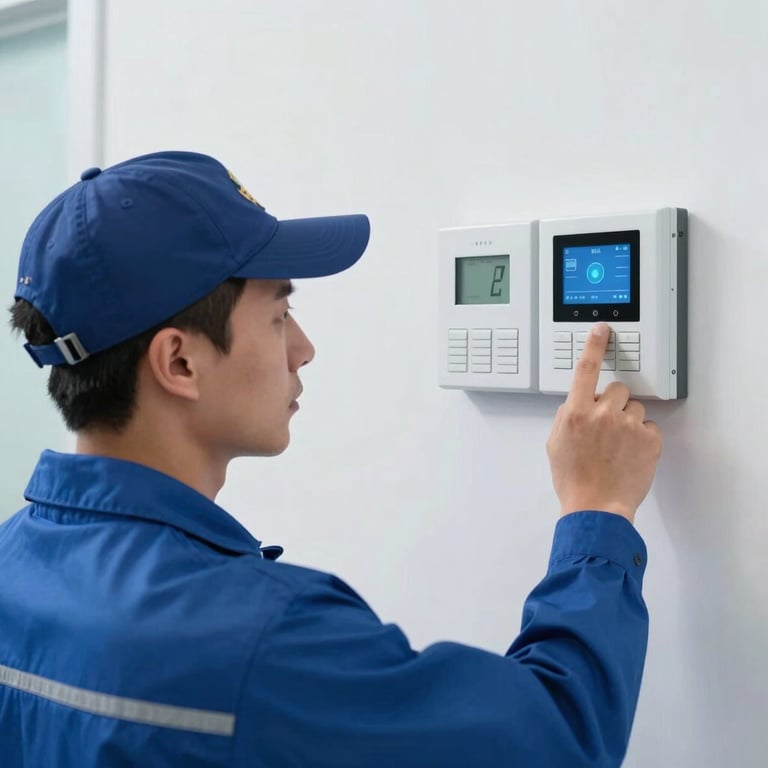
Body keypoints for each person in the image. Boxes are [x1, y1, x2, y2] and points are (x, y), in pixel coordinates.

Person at [0, 150, 662, 767]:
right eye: (280, 315)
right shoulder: (262, 643)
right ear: (180, 361)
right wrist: (597, 512)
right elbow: (557, 742)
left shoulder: (12, 567)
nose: (305, 348)